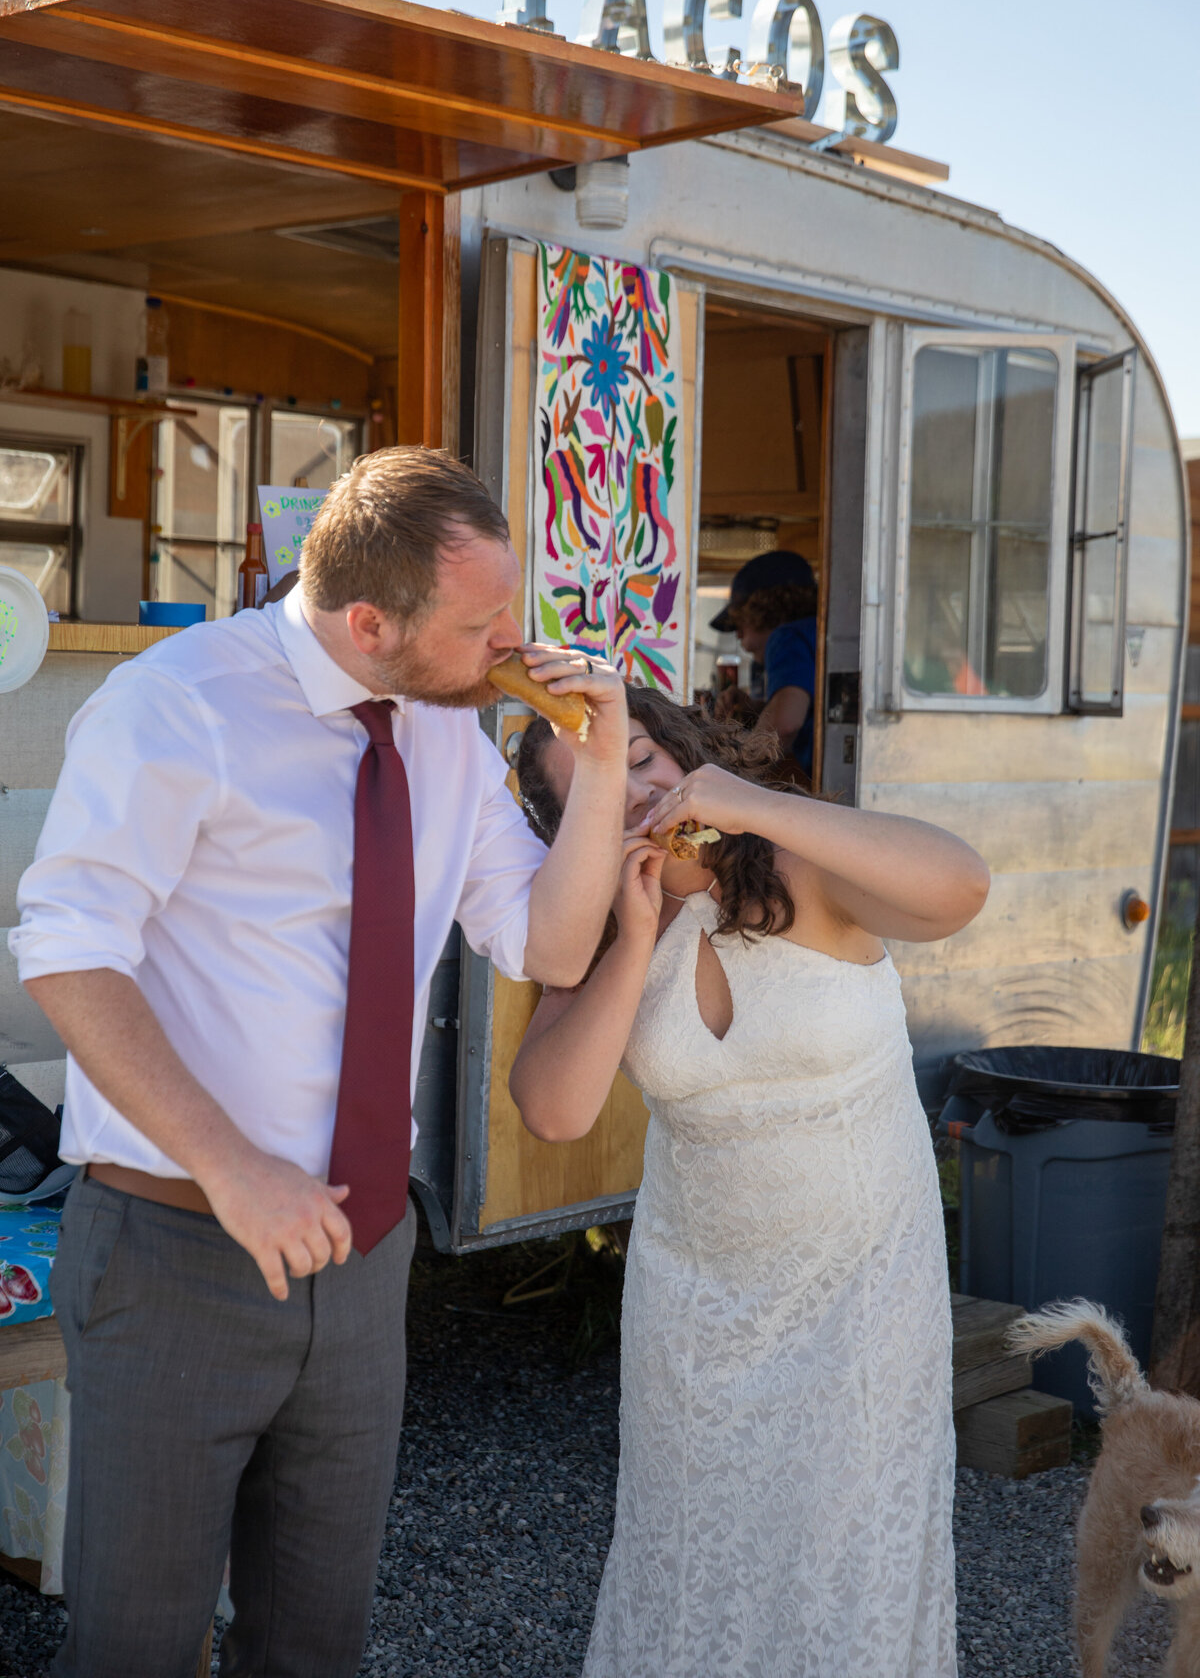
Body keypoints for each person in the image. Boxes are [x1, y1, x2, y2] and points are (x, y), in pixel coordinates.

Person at [10, 447, 630, 1678]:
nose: (514, 642)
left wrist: (604, 762)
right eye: (481, 623)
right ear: (368, 623)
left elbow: (550, 947)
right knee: (137, 1641)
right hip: (179, 1244)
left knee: (315, 1641)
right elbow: (69, 958)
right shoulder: (174, 704)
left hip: (362, 1253)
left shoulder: (446, 727)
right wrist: (237, 1171)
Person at [511, 685, 990, 1677]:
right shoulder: (596, 933)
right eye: (594, 786)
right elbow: (555, 1110)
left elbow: (961, 887)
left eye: (637, 755)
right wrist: (638, 935)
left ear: (681, 750)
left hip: (863, 1301)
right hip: (695, 1321)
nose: (631, 786)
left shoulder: (796, 863)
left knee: (849, 1569)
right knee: (692, 1573)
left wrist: (749, 801)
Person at [709, 549, 818, 775]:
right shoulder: (815, 633)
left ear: (764, 610)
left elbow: (786, 724)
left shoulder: (787, 637)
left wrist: (734, 773)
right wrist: (752, 706)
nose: (738, 636)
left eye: (740, 623)